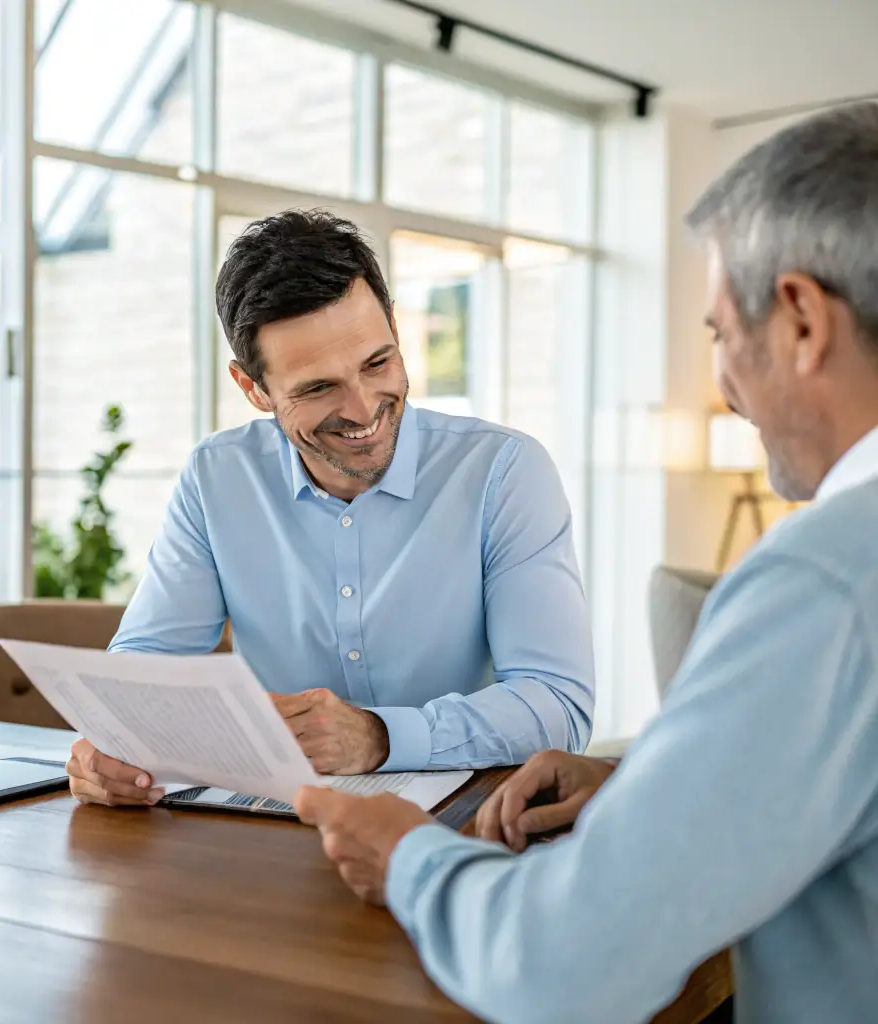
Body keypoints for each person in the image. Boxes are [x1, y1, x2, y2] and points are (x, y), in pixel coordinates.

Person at [295, 101, 878, 1024]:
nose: (724, 387)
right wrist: (652, 779)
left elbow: (560, 967)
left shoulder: (824, 582)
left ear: (803, 319)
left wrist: (408, 857)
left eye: (721, 335)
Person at [67, 210, 595, 807]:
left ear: (394, 327)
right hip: (272, 834)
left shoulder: (504, 473)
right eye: (318, 388)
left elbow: (558, 704)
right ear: (254, 389)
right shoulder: (218, 477)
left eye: (378, 363)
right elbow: (147, 670)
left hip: (469, 827)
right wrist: (111, 741)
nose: (364, 407)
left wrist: (379, 736)